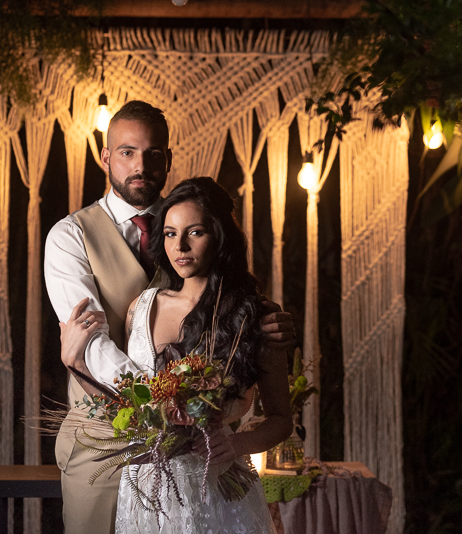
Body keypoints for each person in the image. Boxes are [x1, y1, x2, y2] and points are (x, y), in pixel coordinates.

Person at [44, 101, 293, 534]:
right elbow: (92, 344)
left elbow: (231, 321)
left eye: (153, 154)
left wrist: (264, 326)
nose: (140, 165)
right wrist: (161, 407)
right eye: (127, 152)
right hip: (103, 443)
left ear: (168, 158)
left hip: (201, 459)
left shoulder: (188, 220)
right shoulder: (70, 237)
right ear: (105, 158)